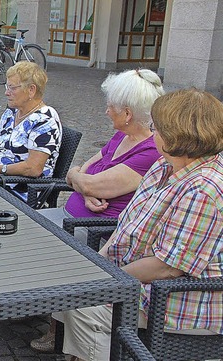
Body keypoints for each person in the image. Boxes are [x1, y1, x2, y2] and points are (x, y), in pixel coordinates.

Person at [53, 88, 223, 361]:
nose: (151, 132)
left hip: (182, 299)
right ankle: (83, 352)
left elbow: (167, 268)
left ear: (175, 135)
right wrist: (98, 264)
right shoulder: (164, 166)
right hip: (140, 278)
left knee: (82, 305)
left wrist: (107, 281)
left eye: (156, 127)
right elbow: (125, 225)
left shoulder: (203, 189)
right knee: (67, 283)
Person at [29, 69, 165, 353]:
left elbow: (89, 179)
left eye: (111, 106)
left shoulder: (149, 152)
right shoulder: (120, 137)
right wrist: (85, 187)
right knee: (28, 228)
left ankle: (58, 328)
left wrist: (85, 184)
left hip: (99, 232)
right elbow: (77, 173)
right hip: (76, 216)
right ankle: (46, 314)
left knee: (47, 248)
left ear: (127, 113)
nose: (105, 111)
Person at [0, 61, 61, 200]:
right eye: (7, 87)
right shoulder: (12, 112)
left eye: (12, 88)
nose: (6, 93)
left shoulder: (44, 120)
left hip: (19, 191)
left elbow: (33, 168)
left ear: (31, 90)